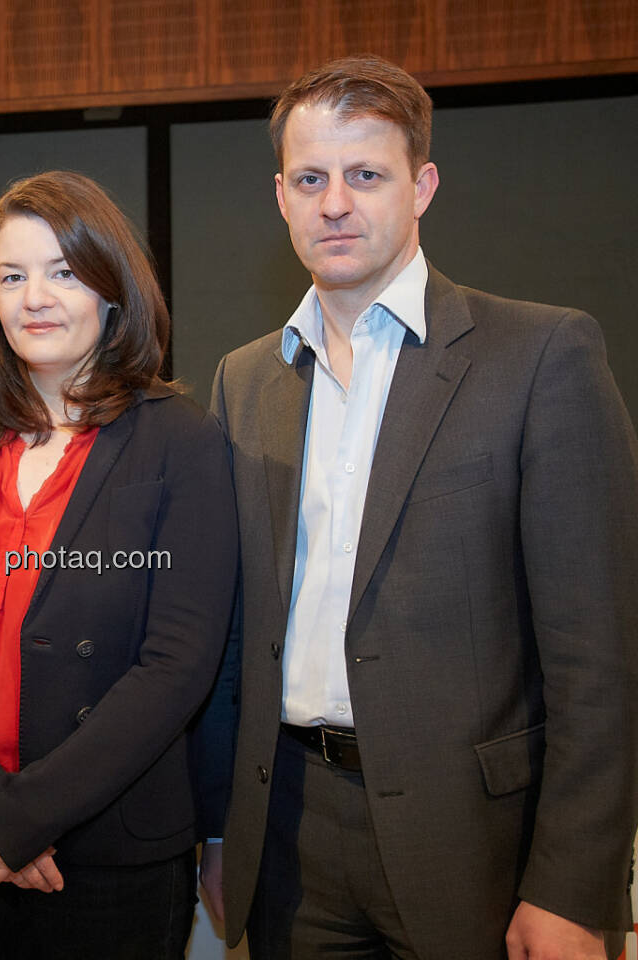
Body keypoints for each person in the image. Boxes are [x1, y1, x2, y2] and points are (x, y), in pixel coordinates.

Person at [201, 55, 638, 959]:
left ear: (423, 186)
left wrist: (572, 888)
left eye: (367, 175)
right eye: (312, 179)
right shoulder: (245, 380)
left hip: (475, 844)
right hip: (288, 834)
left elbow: (601, 653)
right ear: (281, 195)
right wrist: (220, 829)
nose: (336, 204)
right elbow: (231, 636)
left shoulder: (541, 355)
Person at [0, 170, 238, 958]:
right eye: (12, 276)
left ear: (113, 289)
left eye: (63, 271)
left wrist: (25, 818)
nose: (34, 297)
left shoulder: (180, 441)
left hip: (111, 848)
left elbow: (178, 664)